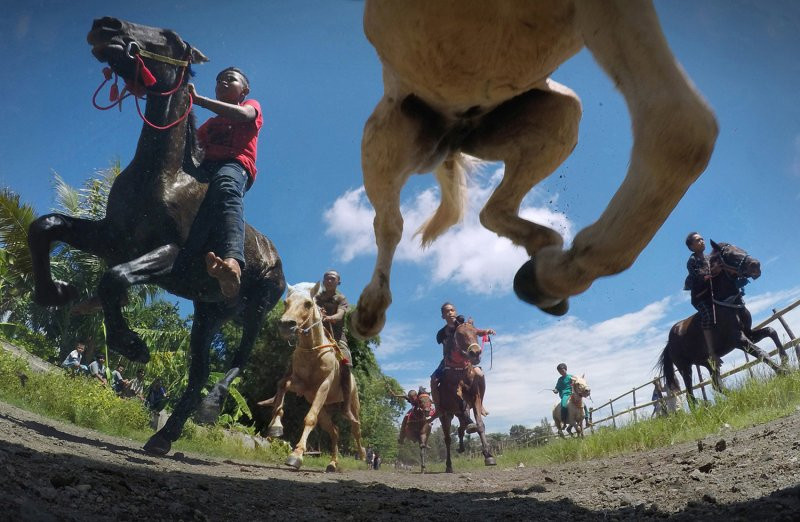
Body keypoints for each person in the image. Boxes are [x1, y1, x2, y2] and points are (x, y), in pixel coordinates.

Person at [183, 66, 263, 299]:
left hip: (235, 165)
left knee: (226, 187)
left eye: (230, 79)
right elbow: (192, 148)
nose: (223, 83)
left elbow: (244, 116)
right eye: (219, 80)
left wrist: (199, 101)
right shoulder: (208, 125)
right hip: (205, 168)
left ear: (244, 90)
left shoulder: (252, 106)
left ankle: (233, 260)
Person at [430, 302, 495, 428]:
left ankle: (480, 402)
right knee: (433, 379)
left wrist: (486, 331)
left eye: (452, 310)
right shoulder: (442, 333)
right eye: (447, 311)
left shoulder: (463, 326)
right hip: (447, 362)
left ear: (455, 311)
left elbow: (476, 332)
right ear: (443, 316)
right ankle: (438, 408)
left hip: (466, 361)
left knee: (480, 374)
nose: (450, 313)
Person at [314, 269, 359, 423]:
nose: (329, 280)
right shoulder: (317, 297)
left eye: (332, 278)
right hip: (318, 336)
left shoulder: (341, 298)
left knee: (346, 364)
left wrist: (330, 317)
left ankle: (346, 408)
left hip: (337, 338)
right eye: (326, 278)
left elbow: (341, 314)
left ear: (338, 282)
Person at [683, 232, 721, 368]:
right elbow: (699, 276)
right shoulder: (692, 261)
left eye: (702, 239)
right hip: (700, 297)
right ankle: (711, 352)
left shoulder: (709, 257)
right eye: (698, 240)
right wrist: (712, 273)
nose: (702, 241)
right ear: (692, 247)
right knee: (707, 316)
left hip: (713, 294)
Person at [553, 363, 591, 428]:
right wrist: (555, 390)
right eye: (559, 371)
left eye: (562, 370)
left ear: (565, 369)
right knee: (564, 405)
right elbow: (557, 388)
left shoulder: (571, 377)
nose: (561, 372)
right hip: (565, 395)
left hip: (573, 393)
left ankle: (587, 420)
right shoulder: (560, 380)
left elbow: (578, 382)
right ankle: (564, 421)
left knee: (583, 405)